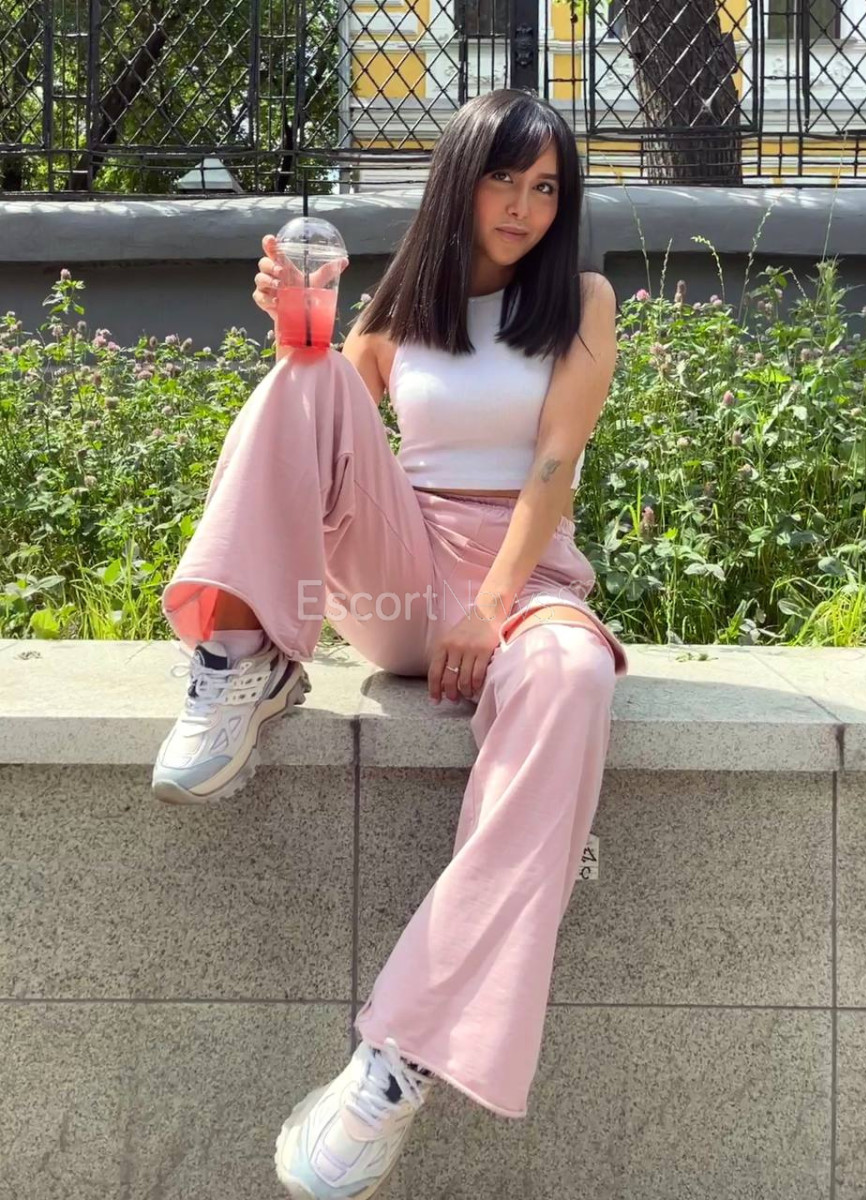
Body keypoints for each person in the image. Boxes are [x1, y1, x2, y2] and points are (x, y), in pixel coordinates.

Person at [153, 86, 629, 1200]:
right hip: (402, 565)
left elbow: (552, 468)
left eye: (545, 187)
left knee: (568, 671)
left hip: (518, 578)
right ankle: (241, 658)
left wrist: (492, 607)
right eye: (503, 178)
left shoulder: (582, 301)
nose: (522, 207)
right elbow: (321, 427)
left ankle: (394, 1065)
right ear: (459, 178)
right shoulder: (404, 302)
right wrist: (295, 328)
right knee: (307, 370)